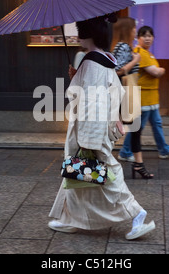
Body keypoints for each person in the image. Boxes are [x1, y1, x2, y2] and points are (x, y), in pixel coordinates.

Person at [48, 15, 155, 241]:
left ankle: (136, 214)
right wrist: (78, 77)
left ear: (89, 34)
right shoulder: (106, 59)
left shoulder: (89, 62)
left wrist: (75, 81)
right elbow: (113, 92)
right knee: (77, 172)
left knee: (104, 172)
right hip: (99, 126)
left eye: (81, 31)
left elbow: (82, 98)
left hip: (89, 130)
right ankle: (70, 218)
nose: (78, 37)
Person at [118, 26, 169, 175]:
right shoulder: (139, 53)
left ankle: (163, 149)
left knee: (156, 124)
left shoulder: (148, 54)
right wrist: (162, 70)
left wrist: (160, 70)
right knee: (138, 128)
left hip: (152, 98)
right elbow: (155, 72)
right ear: (137, 38)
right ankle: (126, 152)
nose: (147, 38)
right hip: (143, 98)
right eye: (143, 35)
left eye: (150, 36)